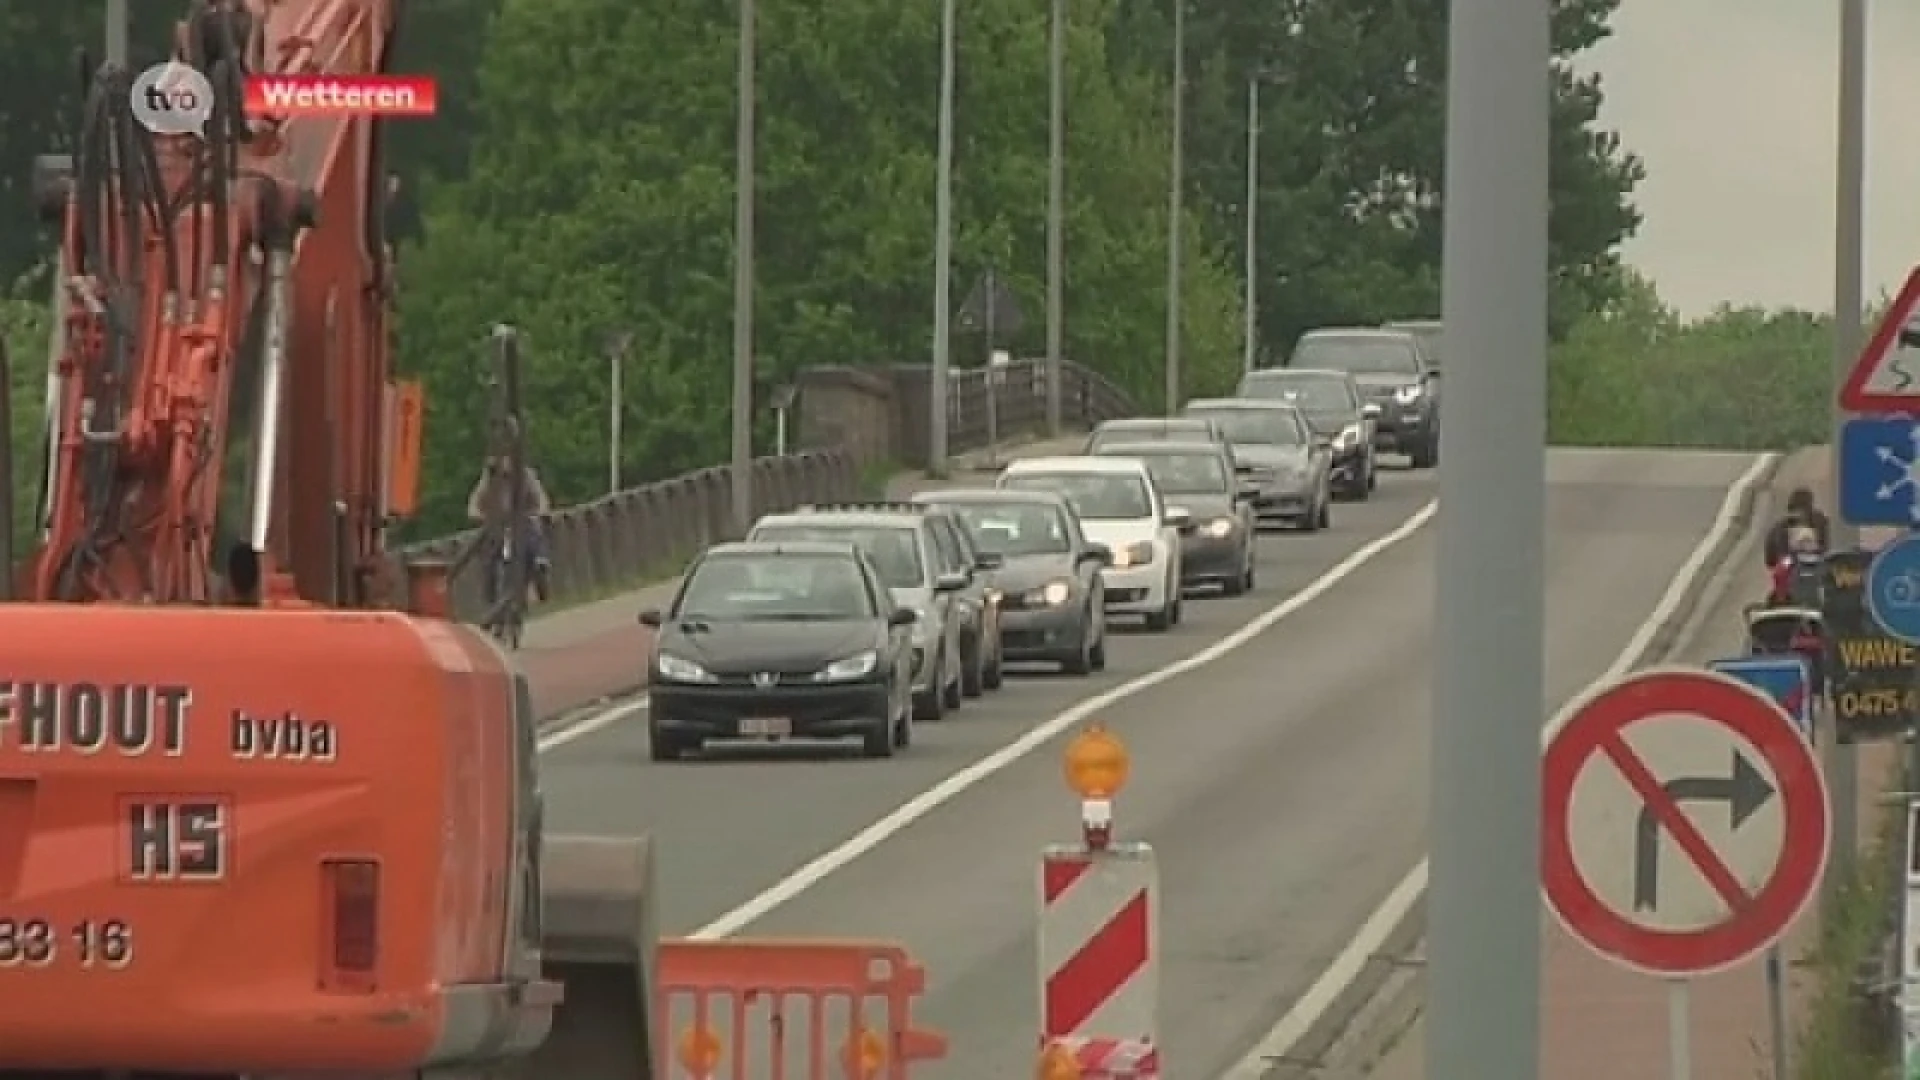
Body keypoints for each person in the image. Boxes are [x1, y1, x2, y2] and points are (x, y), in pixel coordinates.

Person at [468, 455, 552, 602]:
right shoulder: (489, 480)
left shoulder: (526, 476)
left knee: (533, 535)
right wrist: (478, 515)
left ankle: (540, 563)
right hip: (499, 524)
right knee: (488, 552)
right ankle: (491, 590)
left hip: (523, 520)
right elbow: (474, 503)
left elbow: (541, 497)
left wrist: (541, 511)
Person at [1762, 487, 1831, 567]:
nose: (1798, 515)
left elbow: (1770, 560)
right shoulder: (1780, 528)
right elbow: (1771, 559)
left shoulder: (1820, 522)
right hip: (1797, 567)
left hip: (1805, 566)